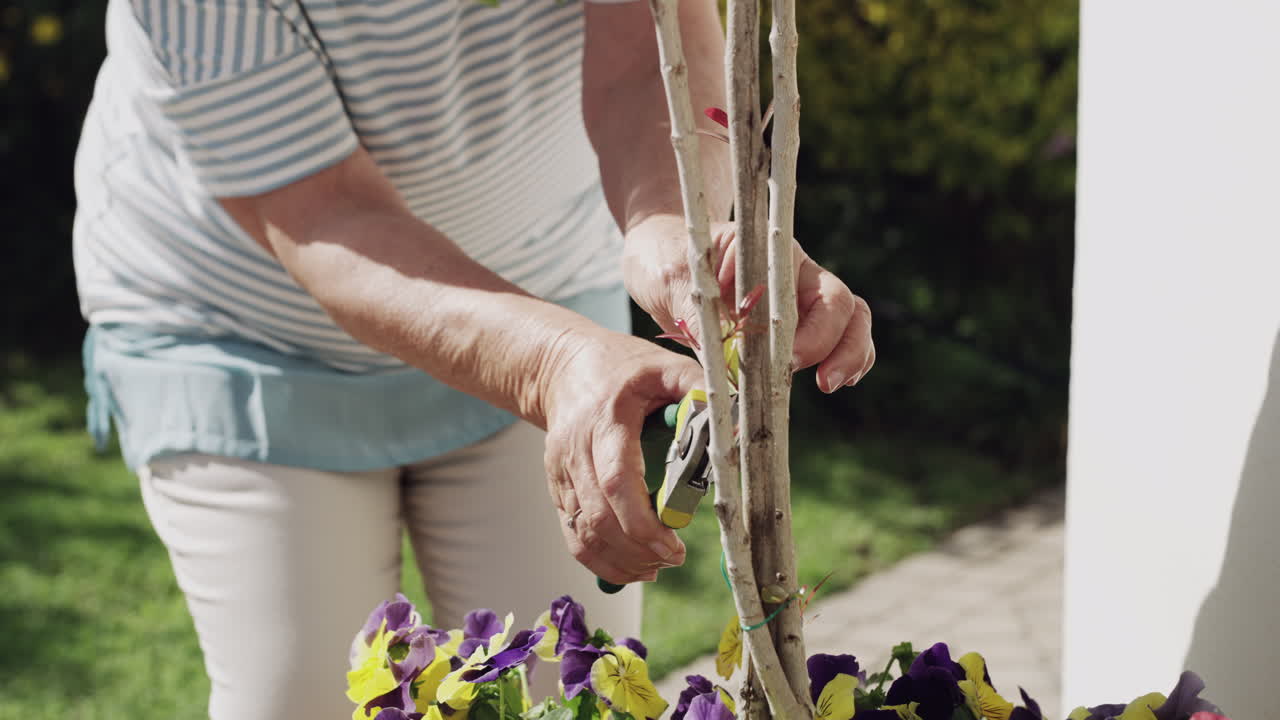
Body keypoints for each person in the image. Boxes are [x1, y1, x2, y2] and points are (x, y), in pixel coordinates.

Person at [72, 0, 874, 715]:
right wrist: (553, 365)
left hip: (547, 281)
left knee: (568, 685)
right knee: (301, 696)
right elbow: (327, 214)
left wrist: (673, 230)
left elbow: (646, 45)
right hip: (244, 335)